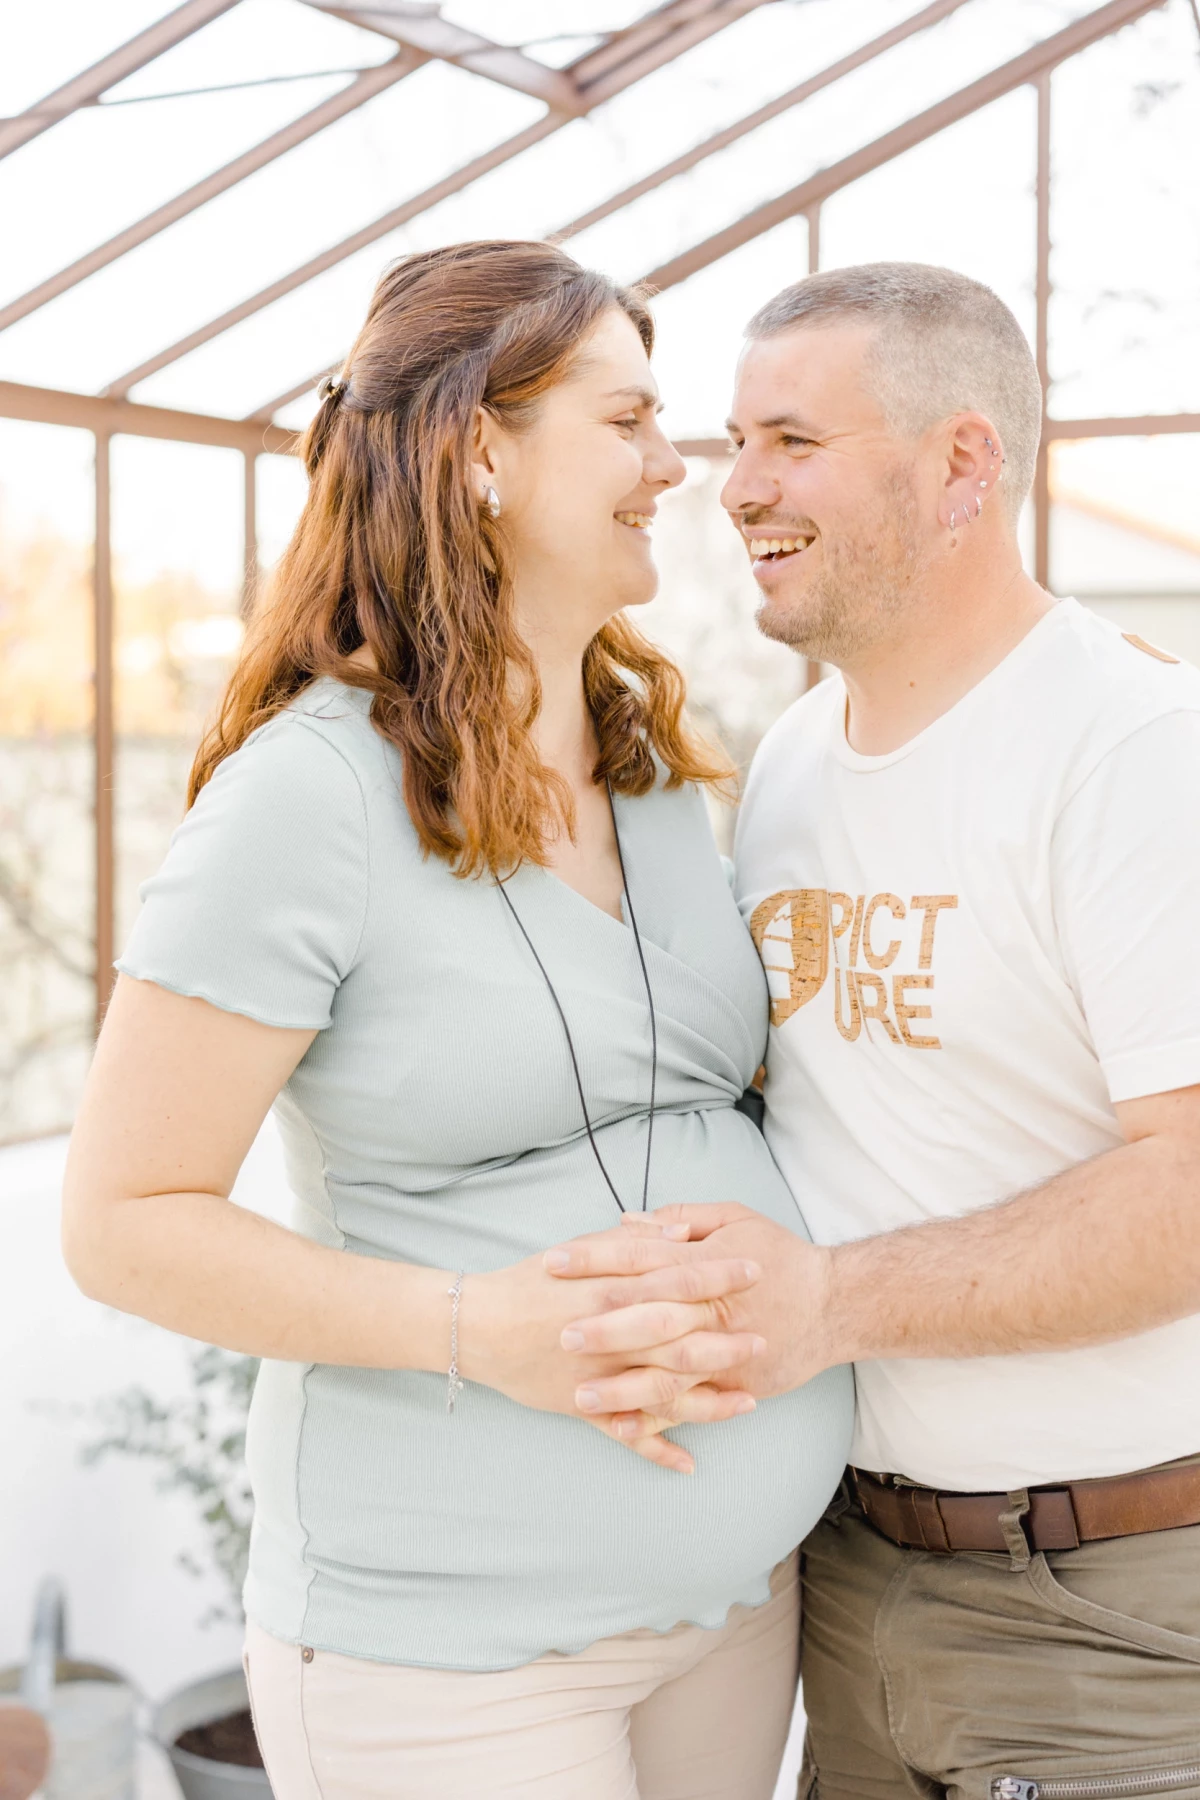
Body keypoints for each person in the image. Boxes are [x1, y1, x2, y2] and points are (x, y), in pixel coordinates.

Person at [61, 240, 853, 1800]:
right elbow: (122, 1222)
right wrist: (478, 1331)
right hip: (449, 1653)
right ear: (479, 452)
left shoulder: (650, 770)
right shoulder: (308, 799)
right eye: (626, 421)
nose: (674, 466)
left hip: (737, 1606)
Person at [545, 263, 1200, 1799]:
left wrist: (826, 1303)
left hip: (1101, 1609)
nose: (735, 489)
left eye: (793, 441)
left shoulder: (1136, 750)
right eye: (735, 442)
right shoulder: (789, 762)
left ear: (961, 463)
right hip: (842, 1582)